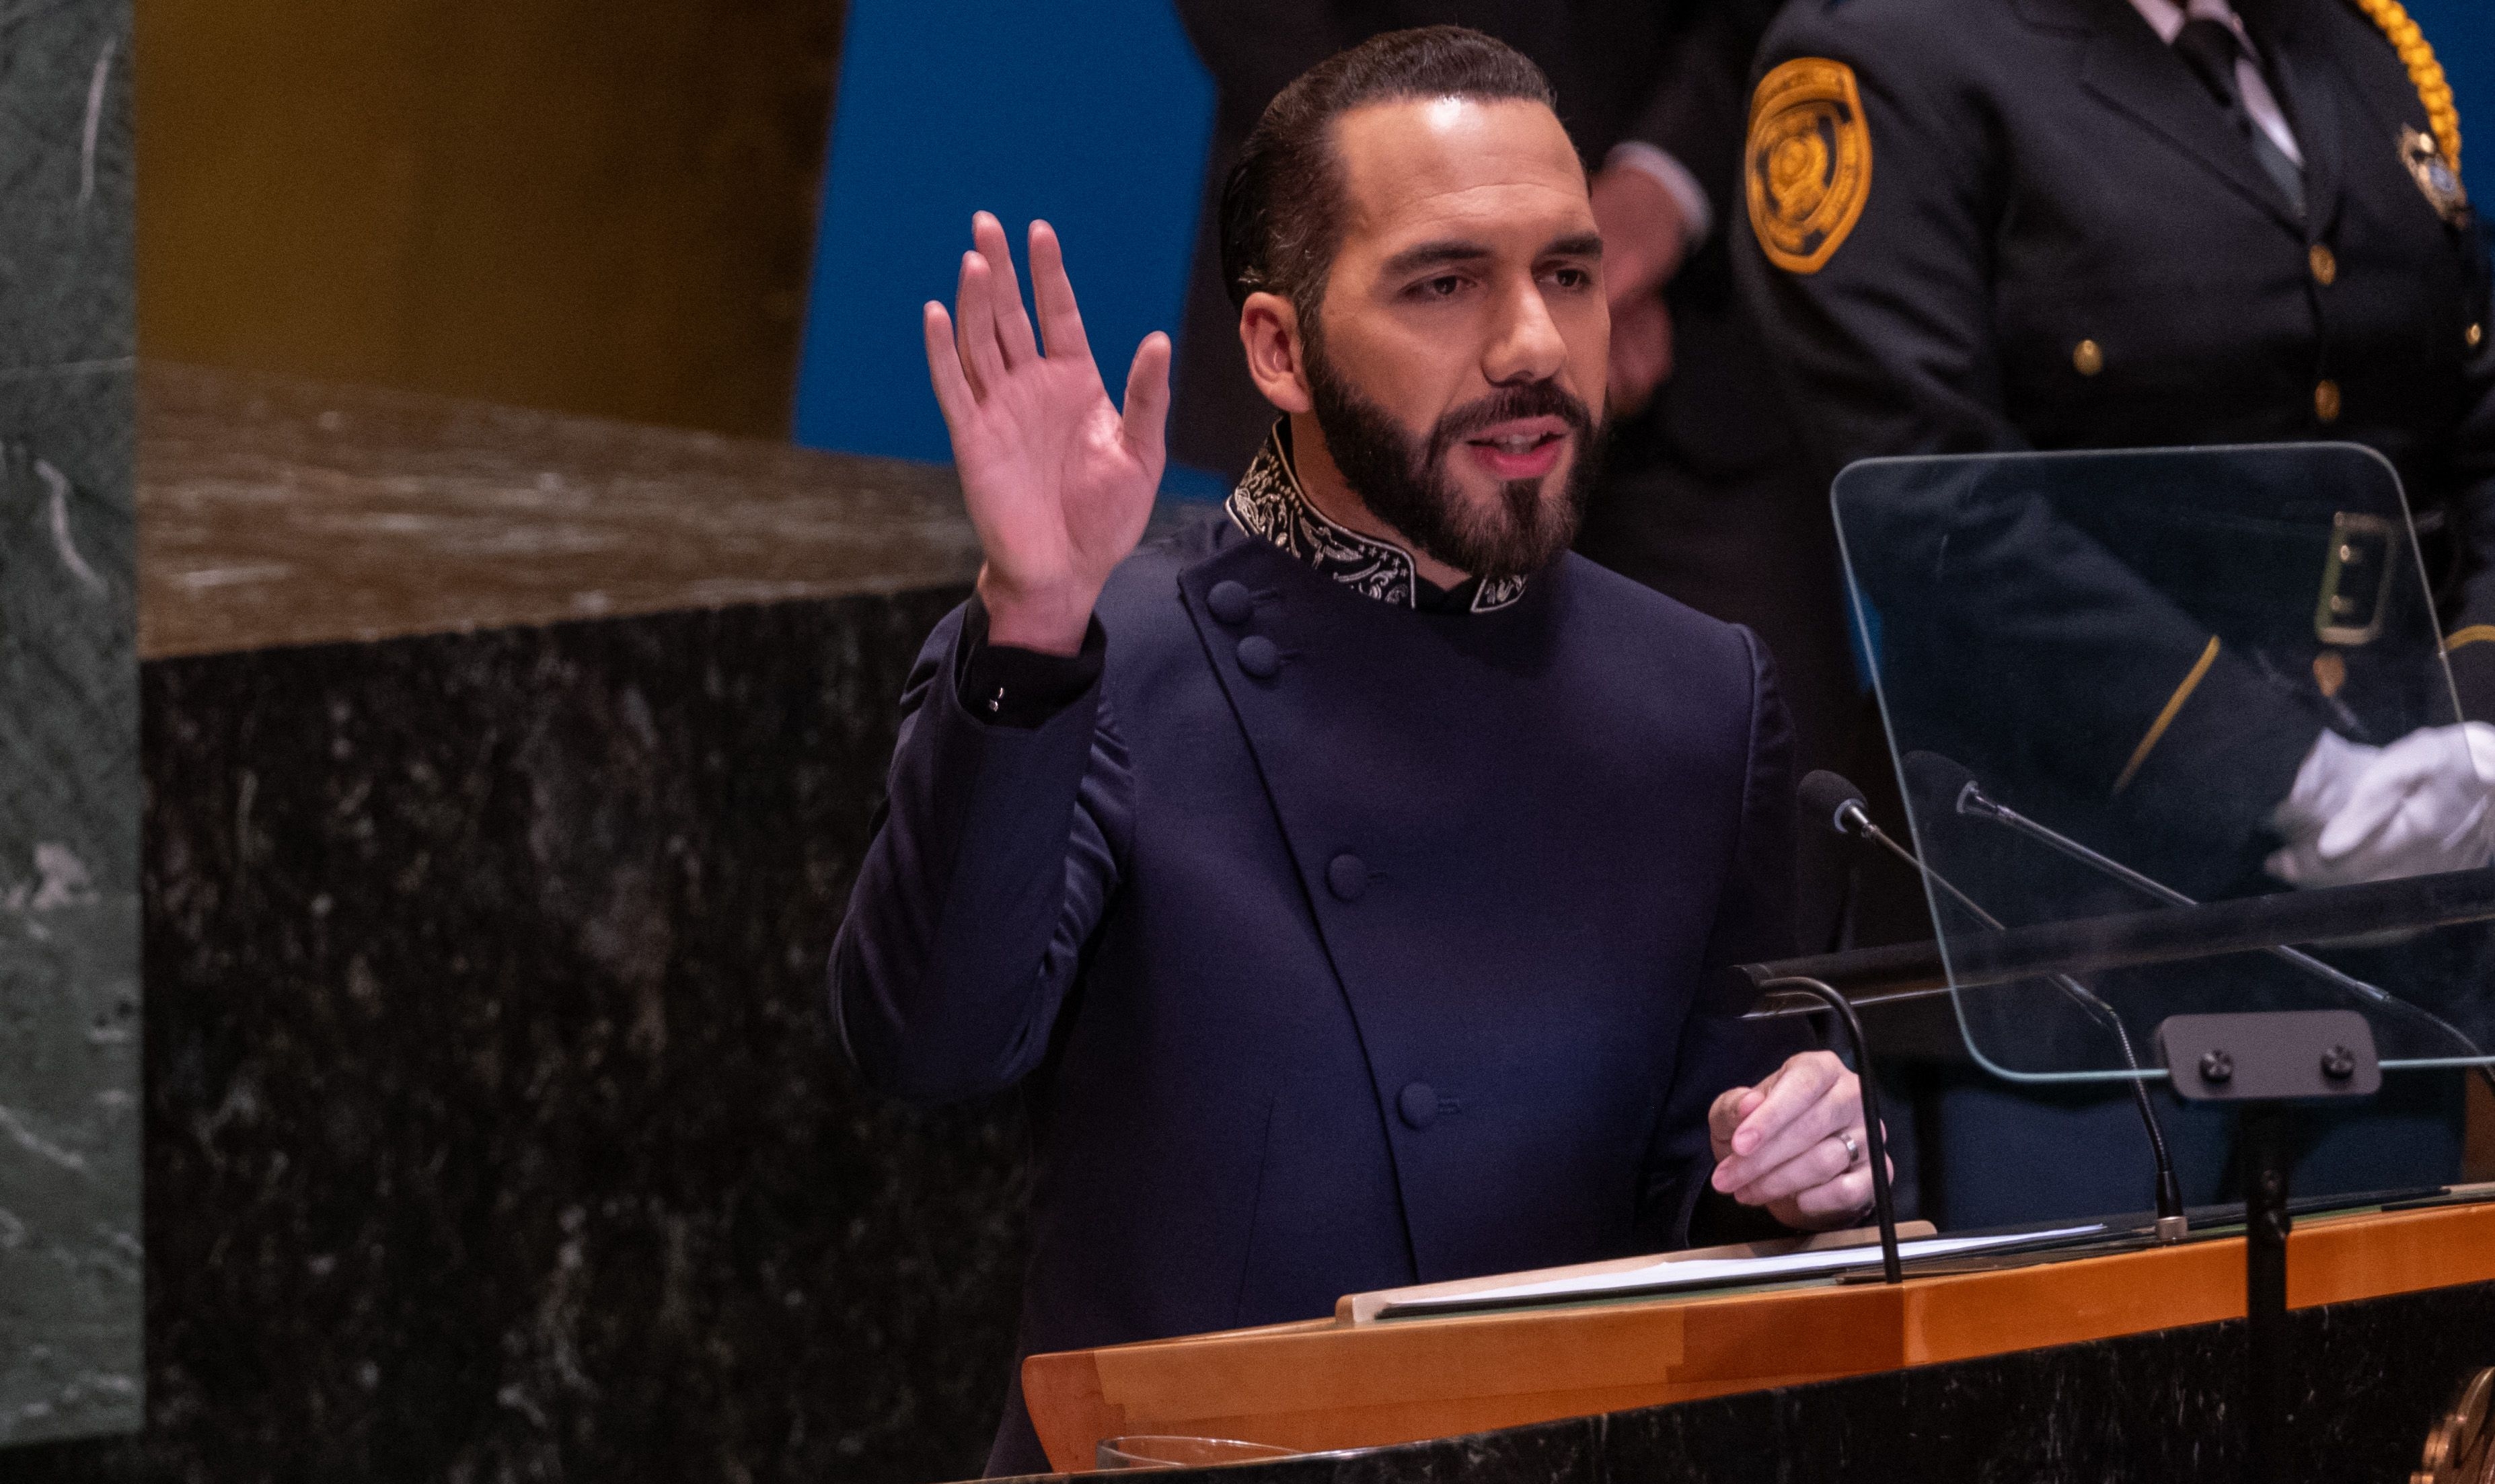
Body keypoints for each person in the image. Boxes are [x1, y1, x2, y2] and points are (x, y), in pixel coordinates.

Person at [833, 29, 1882, 1475]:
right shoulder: (1107, 651)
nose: (1529, 344)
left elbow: (1701, 1184)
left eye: (1565, 275)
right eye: (1444, 283)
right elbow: (929, 1046)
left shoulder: (1699, 690)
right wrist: (1028, 619)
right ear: (1279, 347)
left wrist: (1807, 1166)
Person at [1736, 0, 2495, 1228]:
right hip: (2065, 914)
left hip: (2384, 912)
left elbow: (2470, 437)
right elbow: (1932, 503)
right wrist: (2278, 770)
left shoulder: (2353, 48)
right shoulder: (1889, 52)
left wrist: (2473, 734)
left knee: (2384, 1392)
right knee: (2084, 1402)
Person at [1170, 2, 1864, 948]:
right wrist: (1521, 270)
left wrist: (1646, 207)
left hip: (1705, 351)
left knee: (1780, 891)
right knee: (1369, 893)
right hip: (1365, 345)